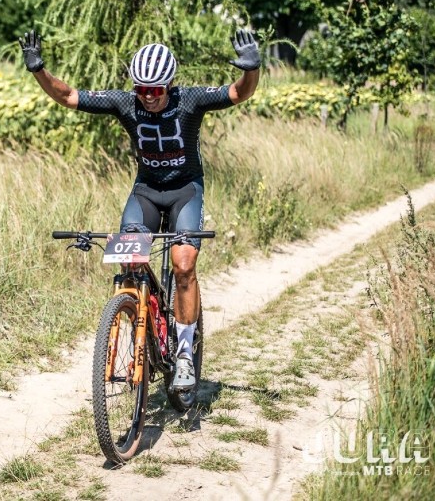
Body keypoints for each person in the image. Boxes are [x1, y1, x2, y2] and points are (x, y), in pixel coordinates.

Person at [19, 28, 260, 392]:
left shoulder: (190, 101)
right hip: (146, 191)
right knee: (129, 261)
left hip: (185, 191)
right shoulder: (125, 103)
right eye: (141, 89)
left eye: (155, 90)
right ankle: (137, 314)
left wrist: (251, 68)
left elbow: (239, 92)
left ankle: (182, 354)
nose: (147, 97)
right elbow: (68, 96)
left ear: (169, 85)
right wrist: (38, 70)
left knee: (183, 265)